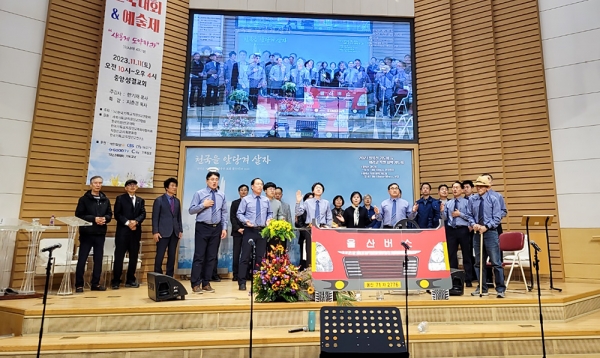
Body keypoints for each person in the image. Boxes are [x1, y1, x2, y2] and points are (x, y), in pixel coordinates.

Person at [465, 176, 505, 298]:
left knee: (496, 262)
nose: (478, 188)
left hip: (491, 233)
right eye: (477, 185)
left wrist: (486, 226)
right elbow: (469, 215)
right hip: (477, 234)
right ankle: (482, 287)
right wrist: (474, 224)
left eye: (481, 186)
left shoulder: (494, 199)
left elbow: (497, 218)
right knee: (478, 262)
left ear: (487, 187)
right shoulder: (472, 199)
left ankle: (500, 289)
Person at [188, 172, 228, 294]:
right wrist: (203, 205)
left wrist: (224, 228)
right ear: (207, 181)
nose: (214, 181)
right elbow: (191, 210)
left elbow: (224, 213)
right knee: (199, 256)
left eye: (216, 179)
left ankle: (206, 282)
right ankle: (195, 284)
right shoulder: (199, 193)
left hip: (216, 228)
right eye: (212, 179)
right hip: (202, 227)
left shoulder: (221, 195)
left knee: (211, 257)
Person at [74, 175, 112, 293]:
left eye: (100, 183)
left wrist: (105, 218)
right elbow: (79, 215)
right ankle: (79, 285)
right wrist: (94, 219)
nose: (98, 185)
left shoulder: (105, 199)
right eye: (95, 183)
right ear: (91, 185)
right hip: (87, 233)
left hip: (100, 233)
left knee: (98, 259)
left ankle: (95, 283)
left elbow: (110, 214)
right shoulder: (84, 199)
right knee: (82, 259)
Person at [236, 178, 273, 291]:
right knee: (245, 257)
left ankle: (259, 281)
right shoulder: (246, 200)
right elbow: (239, 213)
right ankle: (242, 282)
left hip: (262, 231)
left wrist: (269, 220)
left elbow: (270, 213)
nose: (260, 186)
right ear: (252, 186)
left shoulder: (266, 200)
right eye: (257, 184)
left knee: (260, 258)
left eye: (261, 184)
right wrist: (245, 221)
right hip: (249, 230)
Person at [111, 179, 146, 289]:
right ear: (125, 188)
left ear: (137, 187)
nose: (132, 187)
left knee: (134, 257)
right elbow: (117, 214)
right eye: (130, 185)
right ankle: (116, 280)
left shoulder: (140, 200)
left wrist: (136, 221)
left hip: (135, 232)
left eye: (134, 185)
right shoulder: (120, 198)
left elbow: (143, 213)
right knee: (119, 257)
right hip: (123, 232)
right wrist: (128, 223)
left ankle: (130, 279)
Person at [441, 181, 474, 287]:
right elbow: (445, 218)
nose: (454, 189)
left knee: (466, 255)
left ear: (461, 190)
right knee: (452, 255)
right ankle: (454, 278)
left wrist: (460, 214)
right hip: (451, 230)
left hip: (463, 230)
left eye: (457, 187)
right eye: (453, 188)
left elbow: (471, 216)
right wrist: (442, 211)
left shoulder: (467, 202)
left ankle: (468, 279)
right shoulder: (449, 203)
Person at [152, 178, 183, 277]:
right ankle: (158, 275)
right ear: (166, 187)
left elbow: (178, 217)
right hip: (162, 232)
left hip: (175, 232)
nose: (174, 188)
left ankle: (170, 276)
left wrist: (180, 229)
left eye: (175, 186)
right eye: (172, 186)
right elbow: (155, 217)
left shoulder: (177, 201)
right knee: (160, 255)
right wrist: (155, 232)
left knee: (172, 255)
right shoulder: (159, 200)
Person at [230, 184, 249, 281]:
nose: (243, 192)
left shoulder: (250, 202)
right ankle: (236, 274)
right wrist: (238, 228)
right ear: (239, 192)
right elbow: (232, 217)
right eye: (242, 190)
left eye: (245, 190)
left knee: (247, 254)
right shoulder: (235, 203)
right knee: (236, 254)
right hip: (237, 232)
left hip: (248, 231)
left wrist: (246, 228)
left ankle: (245, 274)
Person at [264, 182, 285, 250]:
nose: (272, 190)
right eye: (270, 189)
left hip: (273, 230)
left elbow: (280, 214)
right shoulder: (261, 201)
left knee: (272, 251)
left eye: (274, 189)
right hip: (261, 229)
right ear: (265, 191)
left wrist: (282, 219)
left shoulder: (278, 203)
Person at [296, 192, 313, 270]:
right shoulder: (301, 210)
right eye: (308, 198)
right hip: (305, 236)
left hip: (317, 237)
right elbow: (299, 224)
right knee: (305, 256)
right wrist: (307, 229)